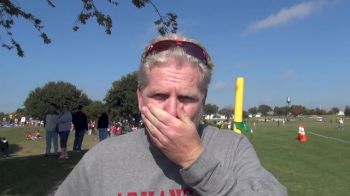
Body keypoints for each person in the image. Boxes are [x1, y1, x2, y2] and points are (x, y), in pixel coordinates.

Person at [55, 34, 287, 195]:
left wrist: (195, 159)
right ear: (140, 98)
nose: (172, 110)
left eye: (186, 98)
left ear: (203, 101)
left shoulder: (232, 148)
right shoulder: (102, 159)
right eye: (159, 96)